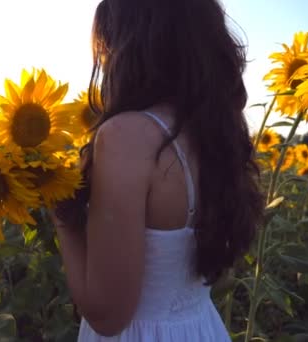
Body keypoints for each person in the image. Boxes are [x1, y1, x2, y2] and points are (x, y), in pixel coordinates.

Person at [51, 0, 264, 340]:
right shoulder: (213, 137)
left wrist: (60, 211)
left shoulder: (128, 137)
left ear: (132, 44)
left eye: (109, 45)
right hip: (200, 328)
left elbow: (108, 315)